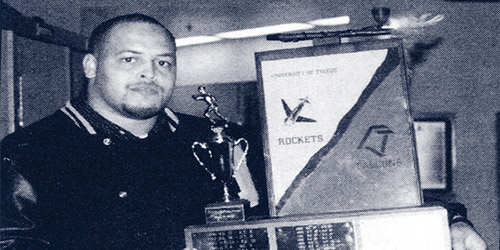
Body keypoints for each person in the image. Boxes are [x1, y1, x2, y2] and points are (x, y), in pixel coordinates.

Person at [0, 13, 486, 250]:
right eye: (130, 60)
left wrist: (449, 221)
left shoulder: (219, 139)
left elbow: (325, 185)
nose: (149, 73)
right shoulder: (28, 154)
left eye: (163, 62)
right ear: (89, 65)